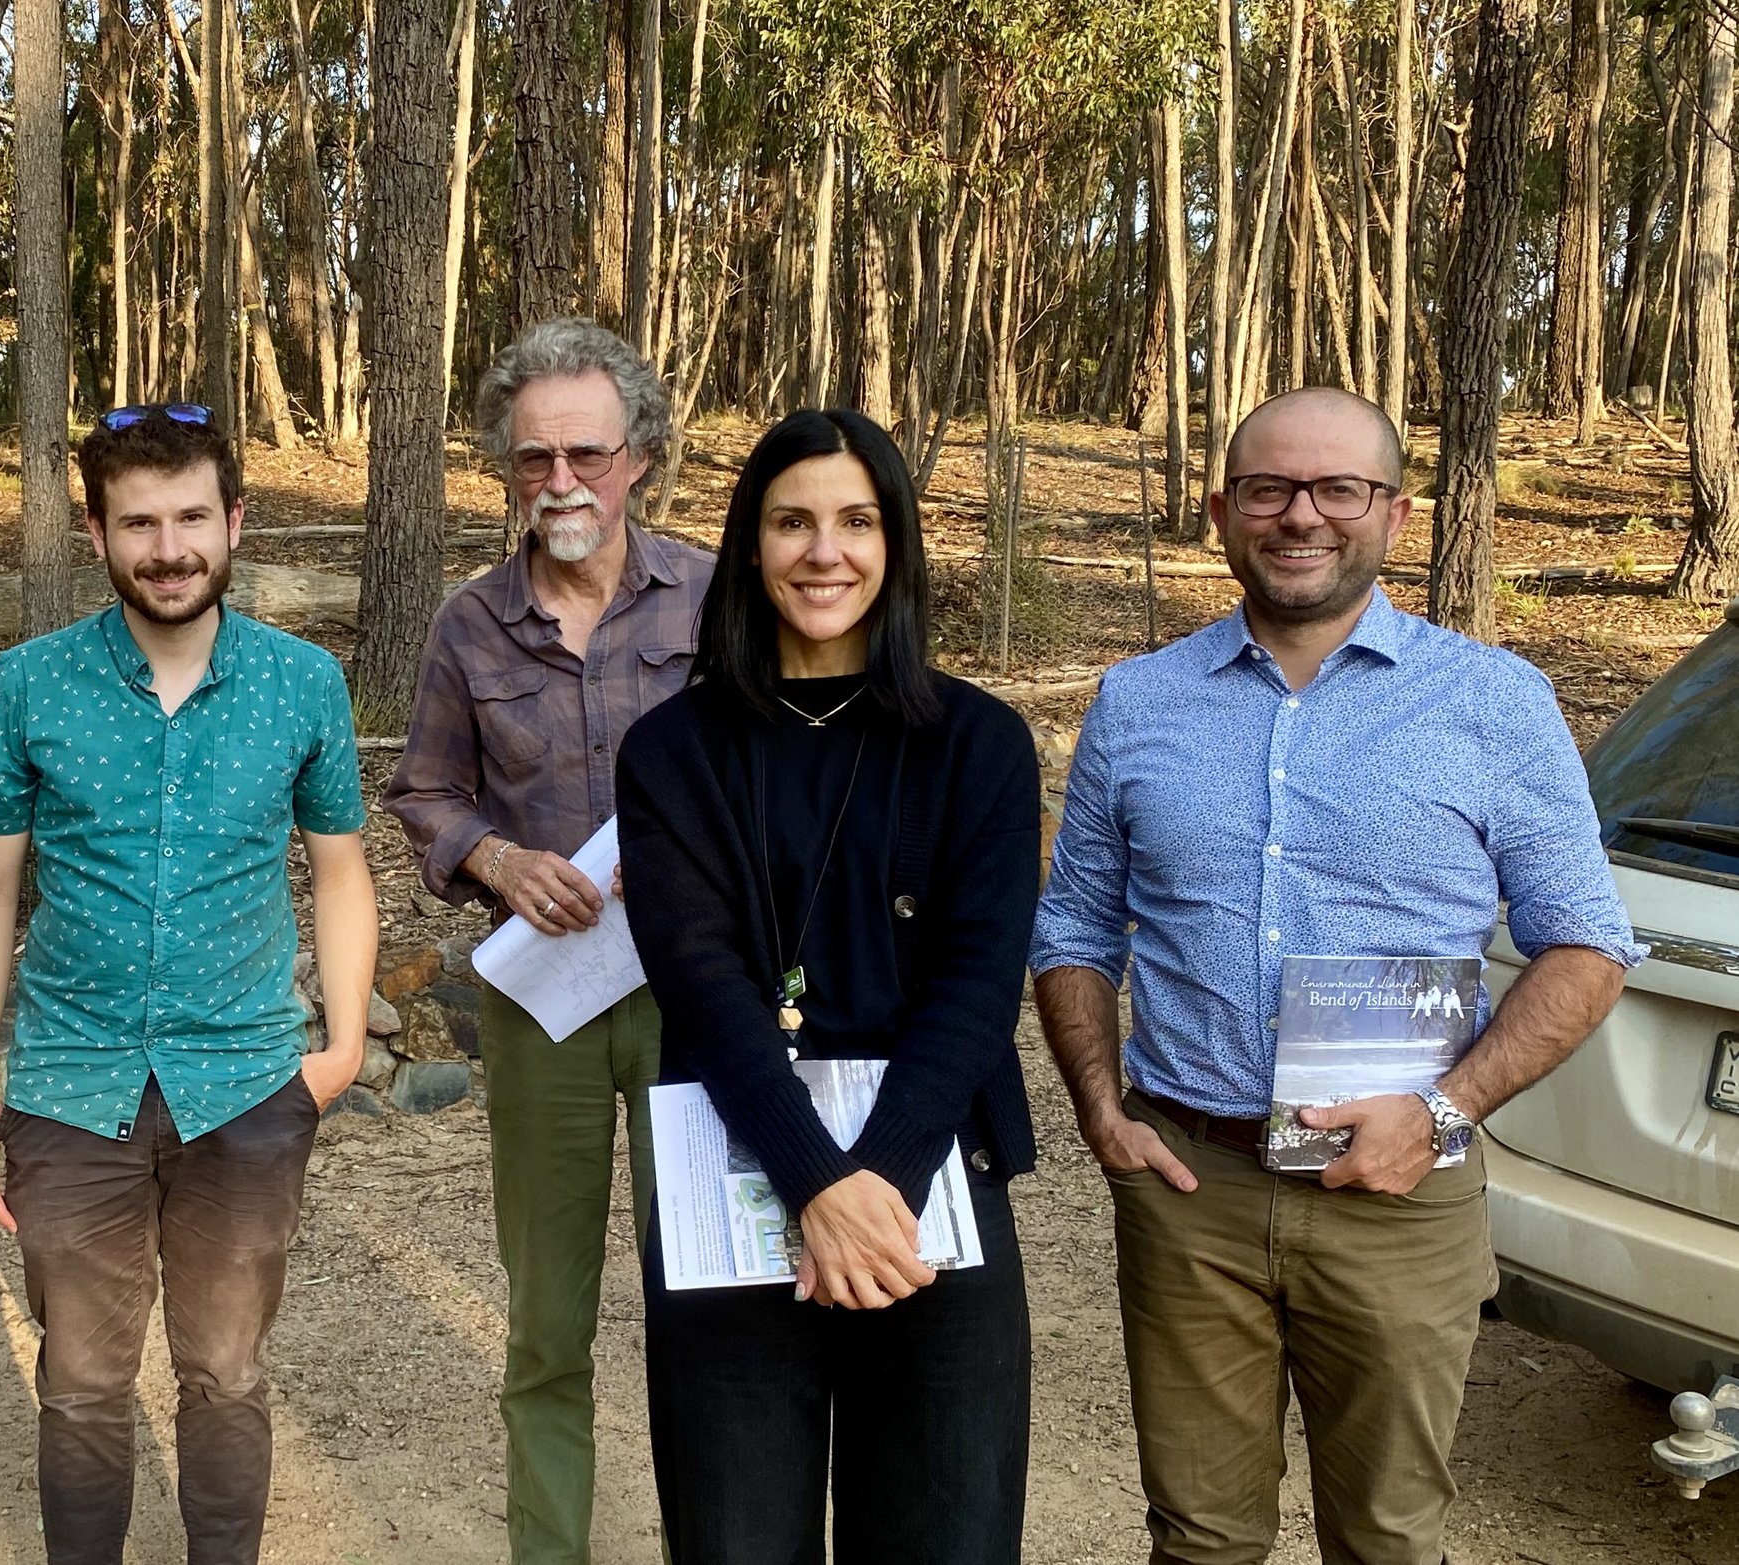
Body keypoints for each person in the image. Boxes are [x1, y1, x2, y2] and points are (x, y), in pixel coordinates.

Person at [1030, 385, 1640, 1565]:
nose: (1300, 515)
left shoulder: (1492, 702)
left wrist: (1443, 1110)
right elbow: (1072, 927)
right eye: (1268, 488)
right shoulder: (1137, 701)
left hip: (1397, 1197)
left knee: (1389, 1538)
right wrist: (1101, 1110)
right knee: (1199, 1537)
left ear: (1394, 515)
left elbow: (1587, 943)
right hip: (1189, 1187)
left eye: (1337, 489)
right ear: (1221, 511)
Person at [0, 402, 378, 1565]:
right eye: (139, 521)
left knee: (225, 1372)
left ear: (234, 521)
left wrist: (335, 1046)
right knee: (83, 1381)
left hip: (244, 1081)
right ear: (96, 534)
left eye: (192, 515)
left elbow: (340, 871)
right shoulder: (30, 683)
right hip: (68, 1081)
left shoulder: (303, 685)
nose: (169, 545)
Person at [614, 408, 1037, 1564]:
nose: (824, 551)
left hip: (930, 1185)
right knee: (735, 1532)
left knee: (945, 1529)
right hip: (738, 1174)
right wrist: (811, 1181)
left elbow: (976, 980)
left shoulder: (978, 743)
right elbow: (699, 980)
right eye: (791, 521)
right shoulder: (672, 752)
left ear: (895, 542)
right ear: (750, 544)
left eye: (856, 521)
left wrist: (873, 1188)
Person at [381, 318, 712, 1564]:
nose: (560, 480)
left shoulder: (715, 597)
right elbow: (424, 790)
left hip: (701, 996)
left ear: (638, 458)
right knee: (547, 1318)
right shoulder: (470, 627)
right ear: (505, 470)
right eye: (533, 458)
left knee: (709, 1299)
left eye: (586, 451)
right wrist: (496, 858)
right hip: (543, 1007)